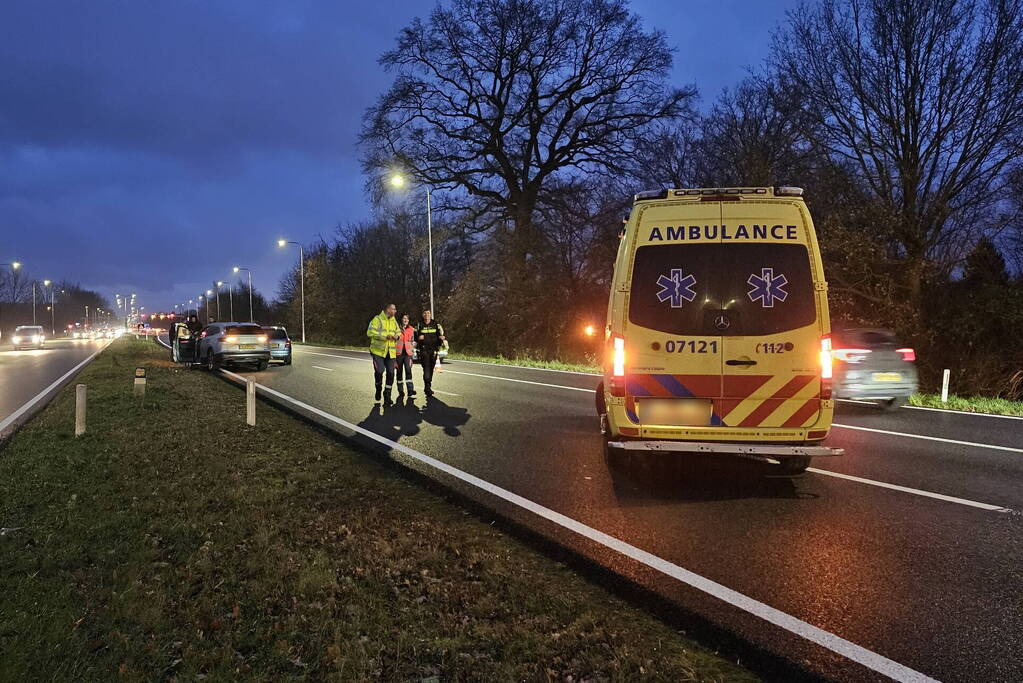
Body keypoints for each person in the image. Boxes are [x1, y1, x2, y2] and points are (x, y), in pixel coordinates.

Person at [367, 303, 401, 403]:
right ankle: (378, 388)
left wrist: (397, 337)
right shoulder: (377, 319)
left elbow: (398, 331)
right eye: (393, 309)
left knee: (391, 373)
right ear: (388, 309)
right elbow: (370, 333)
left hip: (390, 352)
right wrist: (385, 336)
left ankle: (387, 395)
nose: (395, 311)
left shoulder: (394, 320)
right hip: (378, 352)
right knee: (379, 371)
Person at [416, 309, 445, 397]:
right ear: (422, 315)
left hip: (434, 350)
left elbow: (441, 334)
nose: (427, 315)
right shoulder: (419, 324)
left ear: (430, 314)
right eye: (425, 313)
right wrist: (418, 338)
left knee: (431, 367)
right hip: (424, 350)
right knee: (426, 368)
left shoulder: (436, 324)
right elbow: (415, 336)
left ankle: (428, 385)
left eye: (428, 313)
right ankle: (427, 387)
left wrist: (442, 338)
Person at [394, 313, 417, 398]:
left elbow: (415, 339)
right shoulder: (396, 328)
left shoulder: (411, 329)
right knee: (399, 372)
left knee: (408, 370)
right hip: (398, 354)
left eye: (407, 319)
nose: (405, 320)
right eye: (404, 318)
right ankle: (400, 391)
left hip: (408, 353)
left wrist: (414, 343)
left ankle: (410, 390)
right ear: (401, 319)